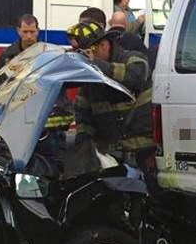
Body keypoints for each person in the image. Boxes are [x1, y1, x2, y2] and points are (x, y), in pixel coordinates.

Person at [66, 20, 155, 171]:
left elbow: (134, 77)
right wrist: (84, 144)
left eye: (88, 52)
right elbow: (83, 113)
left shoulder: (134, 59)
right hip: (112, 156)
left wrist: (97, 64)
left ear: (103, 45)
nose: (85, 59)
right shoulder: (92, 76)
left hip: (144, 153)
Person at [0, 14, 40, 79]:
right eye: (25, 32)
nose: (29, 36)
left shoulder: (45, 54)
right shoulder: (7, 55)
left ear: (38, 31)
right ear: (18, 31)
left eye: (32, 32)